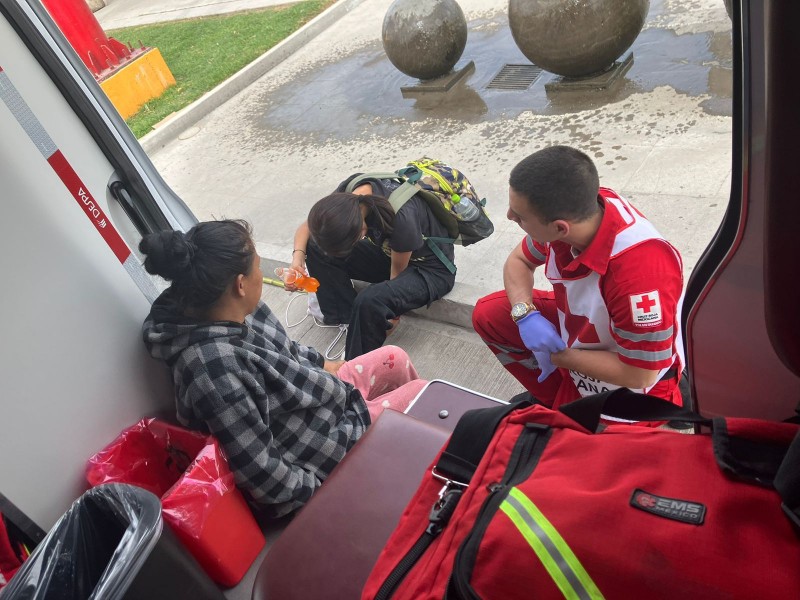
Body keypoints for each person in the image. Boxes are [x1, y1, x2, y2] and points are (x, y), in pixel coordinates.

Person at [140, 219, 427, 517]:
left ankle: (399, 450)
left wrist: (324, 364)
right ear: (240, 284)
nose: (261, 276)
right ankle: (399, 466)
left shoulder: (229, 307)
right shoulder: (213, 369)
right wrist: (321, 491)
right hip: (315, 447)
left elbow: (286, 349)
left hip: (316, 400)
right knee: (421, 394)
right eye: (257, 268)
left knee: (393, 356)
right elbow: (260, 472)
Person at [472, 146, 685, 415]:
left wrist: (558, 357)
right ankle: (554, 397)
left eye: (520, 216)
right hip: (589, 336)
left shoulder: (639, 276)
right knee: (490, 314)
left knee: (567, 450)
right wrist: (524, 314)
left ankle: (567, 406)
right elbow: (519, 262)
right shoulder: (581, 212)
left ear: (560, 227)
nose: (509, 217)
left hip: (636, 385)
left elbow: (641, 374)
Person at [289, 174, 456, 359]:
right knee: (315, 245)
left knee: (370, 300)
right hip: (389, 253)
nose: (361, 240)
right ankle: (348, 320)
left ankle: (353, 372)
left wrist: (390, 317)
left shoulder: (401, 216)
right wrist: (298, 261)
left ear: (360, 230)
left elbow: (396, 280)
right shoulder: (348, 196)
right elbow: (308, 228)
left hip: (431, 270)